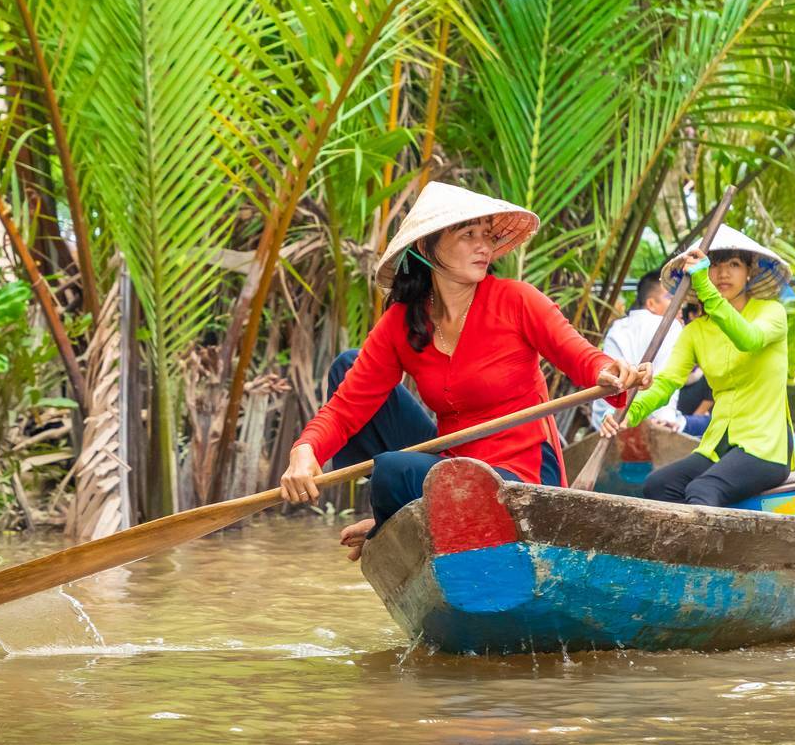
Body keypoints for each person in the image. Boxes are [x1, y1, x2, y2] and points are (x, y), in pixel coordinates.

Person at [278, 181, 651, 560]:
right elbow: (346, 408)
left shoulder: (516, 300)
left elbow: (583, 358)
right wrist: (305, 451)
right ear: (427, 246)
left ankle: (388, 518)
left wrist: (610, 372)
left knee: (393, 470)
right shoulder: (402, 322)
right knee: (347, 367)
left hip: (519, 474)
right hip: (449, 463)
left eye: (487, 235)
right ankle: (396, 514)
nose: (483, 246)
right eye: (467, 234)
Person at [603, 224, 794, 508]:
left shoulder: (771, 312)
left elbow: (749, 339)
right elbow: (667, 381)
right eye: (714, 265)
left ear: (749, 271)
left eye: (734, 264)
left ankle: (716, 552)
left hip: (766, 447)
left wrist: (704, 285)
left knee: (703, 489)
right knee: (657, 486)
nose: (723, 273)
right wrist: (628, 412)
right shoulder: (695, 331)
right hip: (718, 446)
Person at [590, 269, 685, 433]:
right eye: (671, 298)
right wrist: (666, 418)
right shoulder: (672, 326)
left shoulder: (617, 327)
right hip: (648, 417)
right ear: (651, 304)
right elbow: (667, 381)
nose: (680, 306)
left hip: (606, 419)